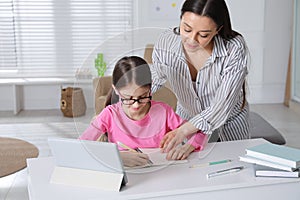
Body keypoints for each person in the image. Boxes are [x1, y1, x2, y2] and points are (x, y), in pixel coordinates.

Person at [151, 0, 250, 159]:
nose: (191, 40)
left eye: (203, 35)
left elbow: (221, 105)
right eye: (186, 29)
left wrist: (184, 131)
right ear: (181, 19)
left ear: (218, 30)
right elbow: (155, 78)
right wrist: (125, 99)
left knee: (230, 171)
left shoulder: (233, 48)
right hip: (186, 120)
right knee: (187, 173)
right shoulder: (166, 42)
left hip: (227, 126)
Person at [79, 56, 206, 167]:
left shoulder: (163, 112)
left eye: (142, 97)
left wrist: (187, 147)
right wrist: (118, 158)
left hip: (161, 175)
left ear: (150, 88)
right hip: (126, 177)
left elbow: (199, 133)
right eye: (127, 98)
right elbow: (81, 147)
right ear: (116, 91)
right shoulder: (110, 115)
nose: (135, 105)